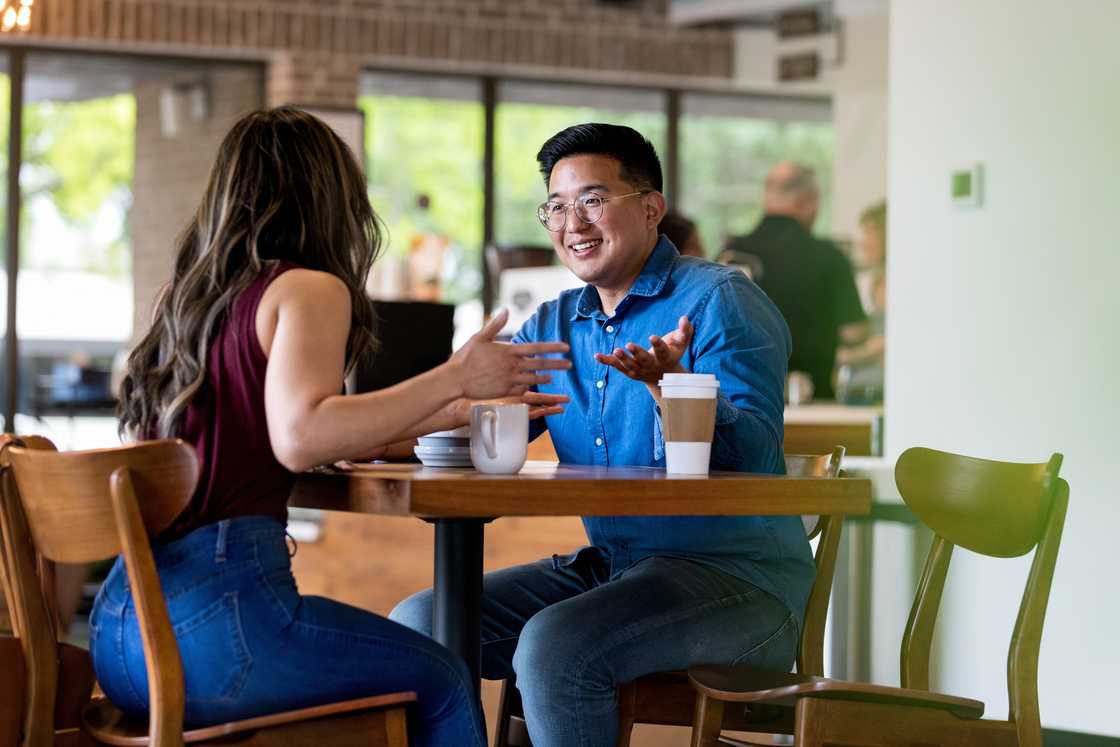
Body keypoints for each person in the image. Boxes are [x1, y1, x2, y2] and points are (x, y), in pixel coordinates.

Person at [92, 107, 571, 747]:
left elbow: (277, 430)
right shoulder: (308, 287)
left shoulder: (185, 297)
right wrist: (455, 377)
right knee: (444, 675)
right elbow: (303, 435)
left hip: (124, 635)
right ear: (329, 195)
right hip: (222, 633)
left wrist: (447, 414)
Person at [392, 123, 810, 747]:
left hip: (739, 585)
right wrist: (378, 427)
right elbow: (485, 420)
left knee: (556, 645)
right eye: (556, 207)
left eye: (591, 200)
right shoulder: (557, 322)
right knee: (422, 622)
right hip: (616, 571)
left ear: (650, 209)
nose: (572, 223)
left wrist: (674, 392)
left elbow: (753, 455)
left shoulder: (722, 300)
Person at [719, 162, 866, 399]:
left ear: (767, 197)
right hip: (815, 399)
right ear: (808, 202)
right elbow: (854, 331)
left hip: (743, 396)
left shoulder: (733, 254)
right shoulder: (828, 257)